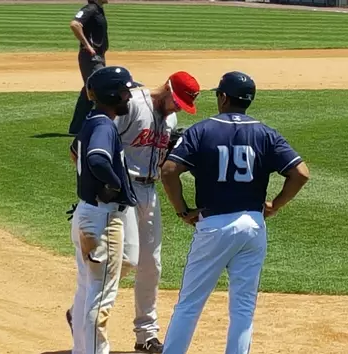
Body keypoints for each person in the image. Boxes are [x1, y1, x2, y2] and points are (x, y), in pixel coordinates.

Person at [159, 71, 310, 354]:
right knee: (243, 306)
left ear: (224, 97)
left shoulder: (201, 130)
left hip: (215, 225)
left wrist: (182, 211)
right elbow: (300, 173)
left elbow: (168, 171)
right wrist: (275, 205)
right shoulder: (266, 133)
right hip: (253, 226)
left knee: (190, 303)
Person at [67, 71, 201, 353]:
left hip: (148, 191)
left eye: (182, 105)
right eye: (175, 101)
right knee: (124, 261)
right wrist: (100, 185)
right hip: (122, 193)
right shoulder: (131, 106)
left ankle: (146, 334)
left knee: (151, 263)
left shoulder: (172, 119)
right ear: (167, 87)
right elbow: (81, 150)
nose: (177, 108)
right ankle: (81, 314)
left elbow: (159, 161)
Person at [67, 65, 138, 354]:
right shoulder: (104, 126)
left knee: (87, 291)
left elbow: (77, 153)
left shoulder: (92, 120)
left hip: (89, 214)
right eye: (124, 92)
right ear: (111, 94)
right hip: (104, 219)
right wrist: (114, 185)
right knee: (100, 298)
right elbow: (97, 159)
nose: (128, 97)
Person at [68, 0, 110, 135]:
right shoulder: (91, 8)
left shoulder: (98, 9)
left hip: (97, 57)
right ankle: (101, 123)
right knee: (99, 87)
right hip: (91, 57)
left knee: (88, 90)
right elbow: (75, 24)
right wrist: (87, 45)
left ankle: (76, 128)